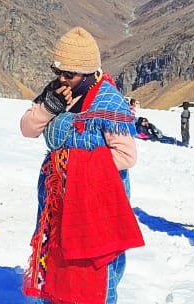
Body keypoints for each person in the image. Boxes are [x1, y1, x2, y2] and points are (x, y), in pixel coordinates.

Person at [19, 27, 143, 303]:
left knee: (97, 263)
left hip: (96, 196)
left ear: (88, 73)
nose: (62, 79)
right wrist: (47, 109)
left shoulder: (108, 101)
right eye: (58, 71)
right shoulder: (57, 92)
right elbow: (27, 128)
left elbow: (126, 155)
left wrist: (72, 166)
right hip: (57, 196)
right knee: (58, 256)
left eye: (69, 74)